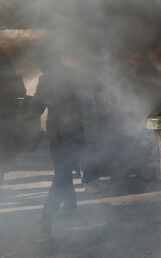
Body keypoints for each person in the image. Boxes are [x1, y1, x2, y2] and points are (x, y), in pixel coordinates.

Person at [28, 47, 97, 241]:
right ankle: (70, 205)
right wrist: (24, 120)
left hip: (74, 135)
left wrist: (92, 140)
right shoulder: (46, 79)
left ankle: (45, 222)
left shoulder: (75, 77)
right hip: (55, 136)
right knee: (62, 171)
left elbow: (89, 109)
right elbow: (37, 106)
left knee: (61, 175)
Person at [0, 49, 27, 188]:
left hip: (6, 118)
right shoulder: (13, 77)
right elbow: (22, 93)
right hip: (6, 119)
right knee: (4, 149)